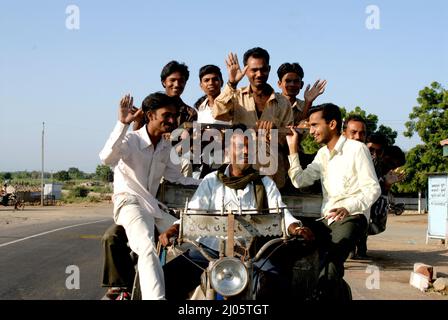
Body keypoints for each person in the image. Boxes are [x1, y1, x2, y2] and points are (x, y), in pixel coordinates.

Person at [159, 124, 315, 300]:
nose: (246, 151)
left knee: (277, 285)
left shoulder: (264, 182)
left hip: (251, 254)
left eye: (250, 147)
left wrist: (295, 228)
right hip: (209, 251)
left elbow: (281, 213)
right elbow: (194, 211)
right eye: (240, 146)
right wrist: (174, 229)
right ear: (227, 150)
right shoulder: (212, 180)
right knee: (165, 279)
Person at [99, 92, 200, 300]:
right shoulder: (130, 140)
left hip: (153, 207)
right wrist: (122, 124)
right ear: (150, 115)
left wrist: (212, 182)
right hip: (130, 203)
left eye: (174, 116)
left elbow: (178, 179)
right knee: (146, 248)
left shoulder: (165, 147)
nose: (172, 121)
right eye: (166, 115)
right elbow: (106, 158)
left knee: (198, 241)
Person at [286, 103, 381, 300]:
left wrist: (347, 207)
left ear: (332, 124)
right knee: (290, 249)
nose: (311, 131)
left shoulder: (357, 149)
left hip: (351, 218)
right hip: (326, 220)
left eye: (314, 125)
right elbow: (299, 180)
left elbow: (373, 188)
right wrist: (293, 150)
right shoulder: (322, 154)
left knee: (331, 263)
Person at [212, 47, 293, 188]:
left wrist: (276, 132)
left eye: (263, 69)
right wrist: (232, 83)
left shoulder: (283, 102)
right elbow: (217, 112)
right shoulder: (236, 96)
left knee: (268, 209)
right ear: (245, 70)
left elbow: (290, 139)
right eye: (254, 70)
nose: (259, 74)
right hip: (239, 173)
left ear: (269, 69)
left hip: (271, 175)